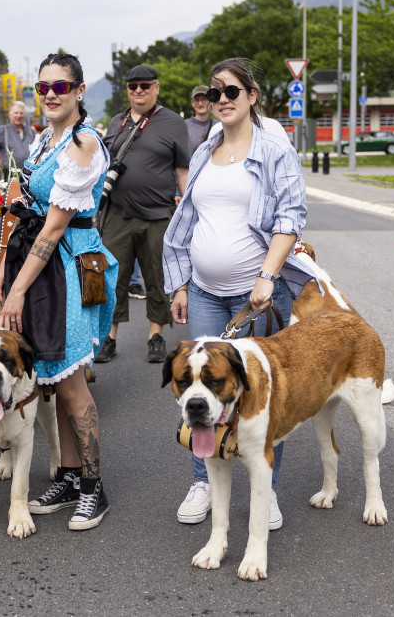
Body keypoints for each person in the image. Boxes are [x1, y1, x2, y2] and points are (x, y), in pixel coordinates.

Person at [162, 57, 319, 532]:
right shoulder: (207, 146)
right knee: (200, 388)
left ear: (252, 96)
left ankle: (264, 489)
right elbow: (189, 220)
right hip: (207, 292)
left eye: (232, 91)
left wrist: (268, 276)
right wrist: (182, 281)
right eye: (214, 94)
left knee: (262, 395)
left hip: (258, 297)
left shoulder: (274, 150)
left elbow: (291, 216)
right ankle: (203, 482)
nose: (222, 100)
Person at [0, 53, 118, 531]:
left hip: (66, 264)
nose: (50, 94)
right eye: (42, 86)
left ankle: (94, 487)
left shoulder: (83, 144)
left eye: (60, 87)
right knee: (55, 376)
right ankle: (69, 475)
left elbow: (52, 231)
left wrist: (15, 292)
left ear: (79, 90)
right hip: (44, 264)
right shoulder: (48, 139)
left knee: (71, 380)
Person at [97, 64, 190, 364]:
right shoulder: (116, 122)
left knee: (157, 277)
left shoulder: (173, 122)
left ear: (156, 87)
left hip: (158, 214)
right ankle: (109, 338)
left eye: (145, 85)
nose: (138, 90)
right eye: (133, 85)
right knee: (113, 278)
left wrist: (189, 208)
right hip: (118, 215)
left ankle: (156, 336)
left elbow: (182, 169)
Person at [0, 101, 35, 182]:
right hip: (10, 179)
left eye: (21, 113)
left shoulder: (31, 131)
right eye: (16, 113)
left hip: (30, 179)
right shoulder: (3, 130)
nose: (18, 115)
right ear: (10, 114)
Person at [186, 84, 218, 154]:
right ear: (192, 103)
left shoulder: (219, 126)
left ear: (211, 101)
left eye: (204, 99)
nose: (200, 104)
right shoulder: (183, 126)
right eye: (197, 100)